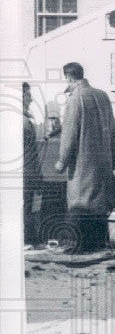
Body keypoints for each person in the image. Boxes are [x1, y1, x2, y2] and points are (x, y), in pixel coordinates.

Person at [53, 62, 115, 253]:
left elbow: (69, 134)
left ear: (69, 78)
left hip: (83, 163)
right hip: (102, 162)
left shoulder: (76, 98)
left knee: (80, 203)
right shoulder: (102, 95)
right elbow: (113, 131)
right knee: (98, 203)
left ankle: (79, 245)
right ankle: (99, 243)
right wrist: (114, 158)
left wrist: (61, 162)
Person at [22, 83, 44, 246]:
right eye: (28, 95)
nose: (31, 99)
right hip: (26, 172)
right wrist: (37, 175)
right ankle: (26, 241)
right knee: (26, 207)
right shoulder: (24, 122)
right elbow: (30, 153)